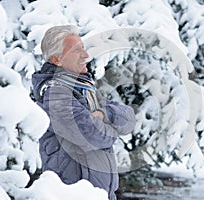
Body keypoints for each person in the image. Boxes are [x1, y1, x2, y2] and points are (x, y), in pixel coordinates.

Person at [31, 25, 136, 200]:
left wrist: (104, 115)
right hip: (71, 193)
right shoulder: (54, 94)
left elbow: (129, 118)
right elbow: (90, 135)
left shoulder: (86, 90)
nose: (86, 55)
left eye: (83, 48)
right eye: (76, 50)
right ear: (57, 59)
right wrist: (112, 131)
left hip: (100, 193)